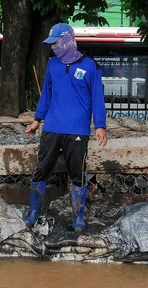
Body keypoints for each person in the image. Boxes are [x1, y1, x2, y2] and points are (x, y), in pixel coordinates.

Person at [24, 22, 108, 232]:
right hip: (52, 127)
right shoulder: (52, 65)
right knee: (41, 170)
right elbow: (46, 95)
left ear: (69, 40)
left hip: (78, 130)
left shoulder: (90, 66)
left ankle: (78, 217)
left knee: (77, 174)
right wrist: (37, 119)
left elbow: (98, 97)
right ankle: (33, 213)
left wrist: (100, 125)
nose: (53, 47)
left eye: (57, 42)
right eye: (52, 44)